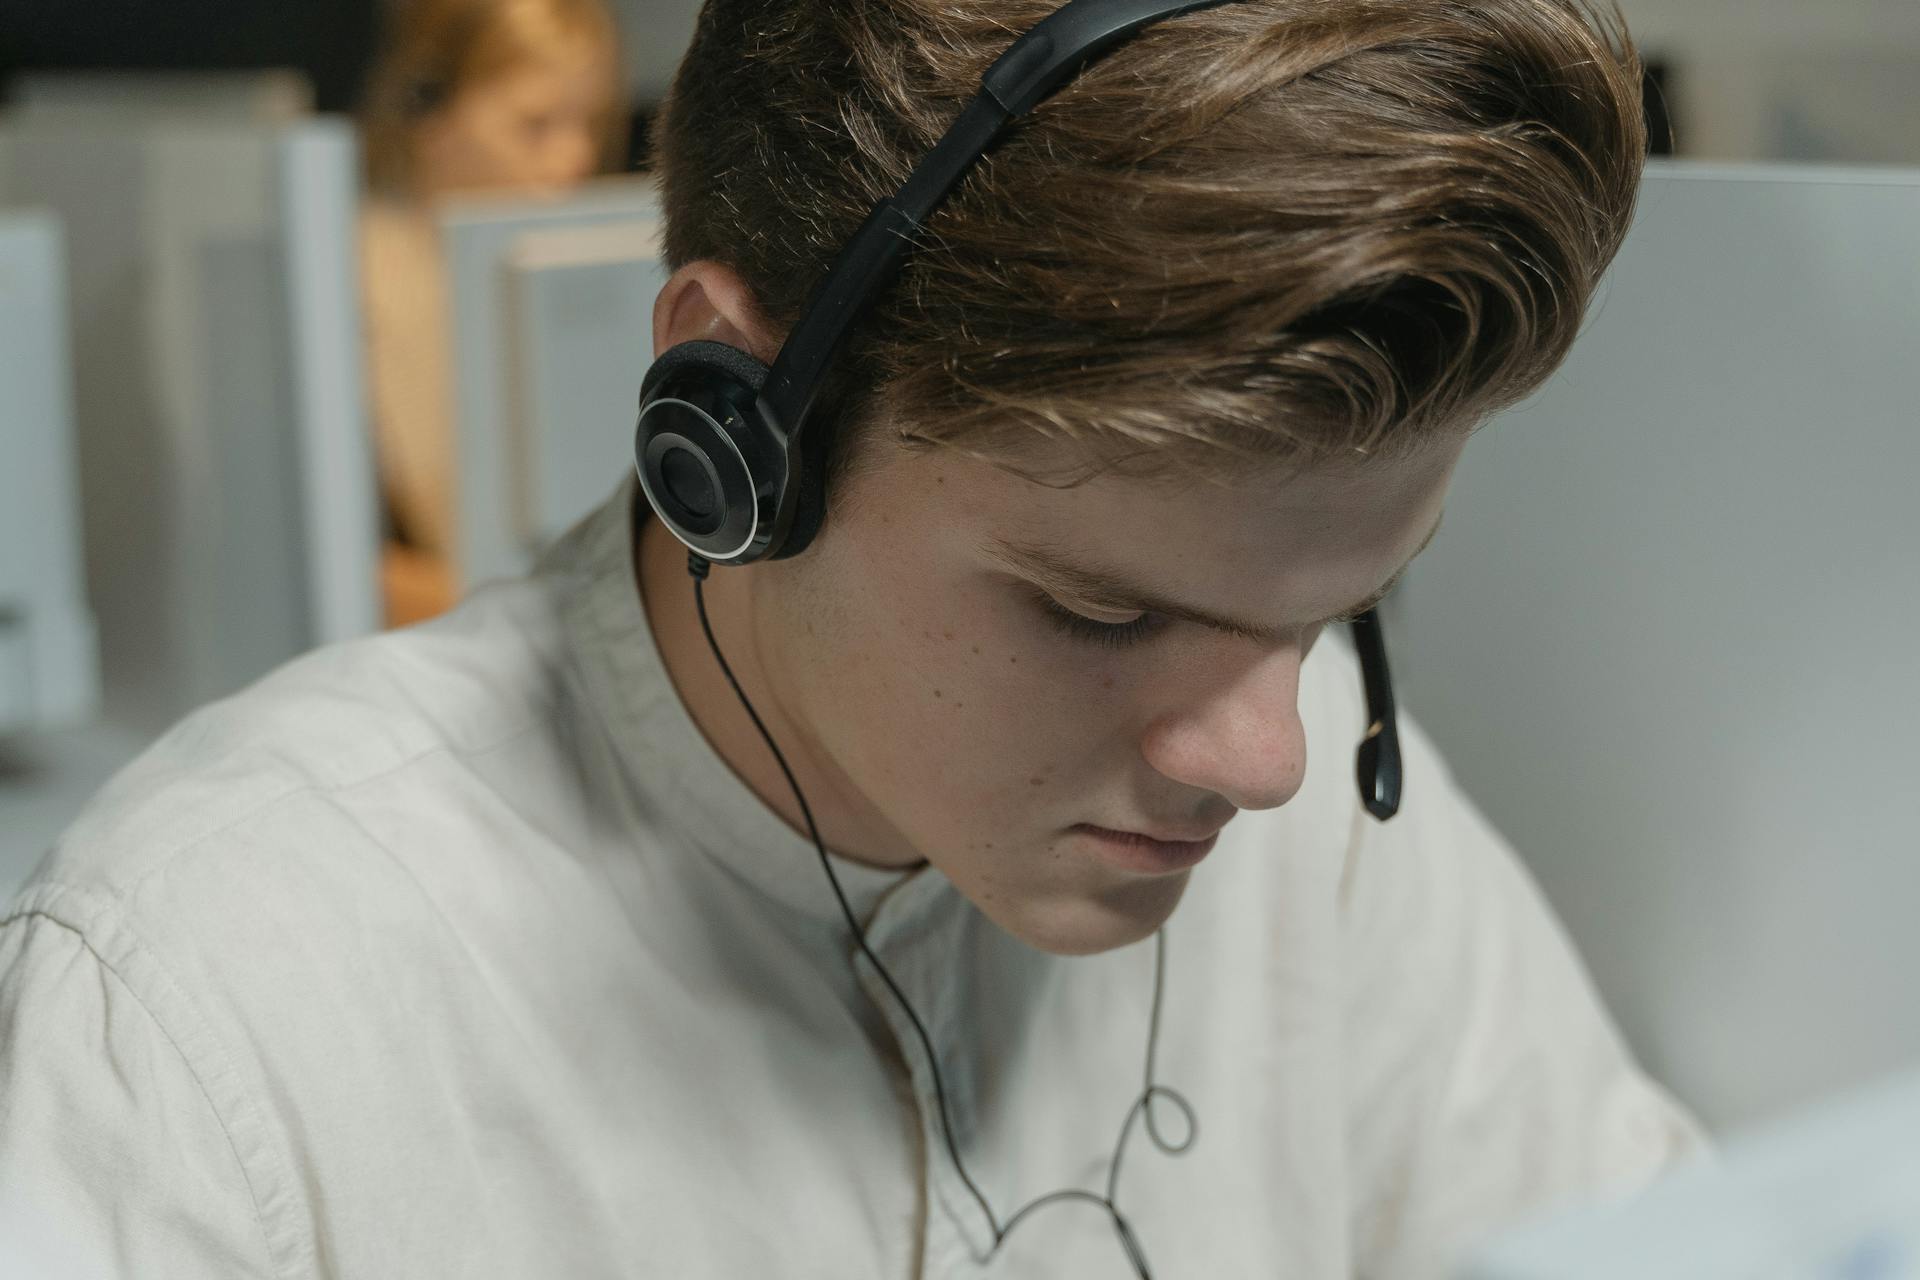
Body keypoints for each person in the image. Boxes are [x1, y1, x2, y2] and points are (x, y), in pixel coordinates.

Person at [0, 0, 1708, 1276]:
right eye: (1100, 610)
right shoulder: (203, 1002)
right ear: (733, 435)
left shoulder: (1323, 809)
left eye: (1342, 609)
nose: (1263, 764)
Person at [356, 0, 625, 625]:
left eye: (593, 122)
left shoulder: (596, 268)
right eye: (535, 124)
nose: (576, 157)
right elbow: (337, 562)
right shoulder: (347, 287)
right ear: (428, 114)